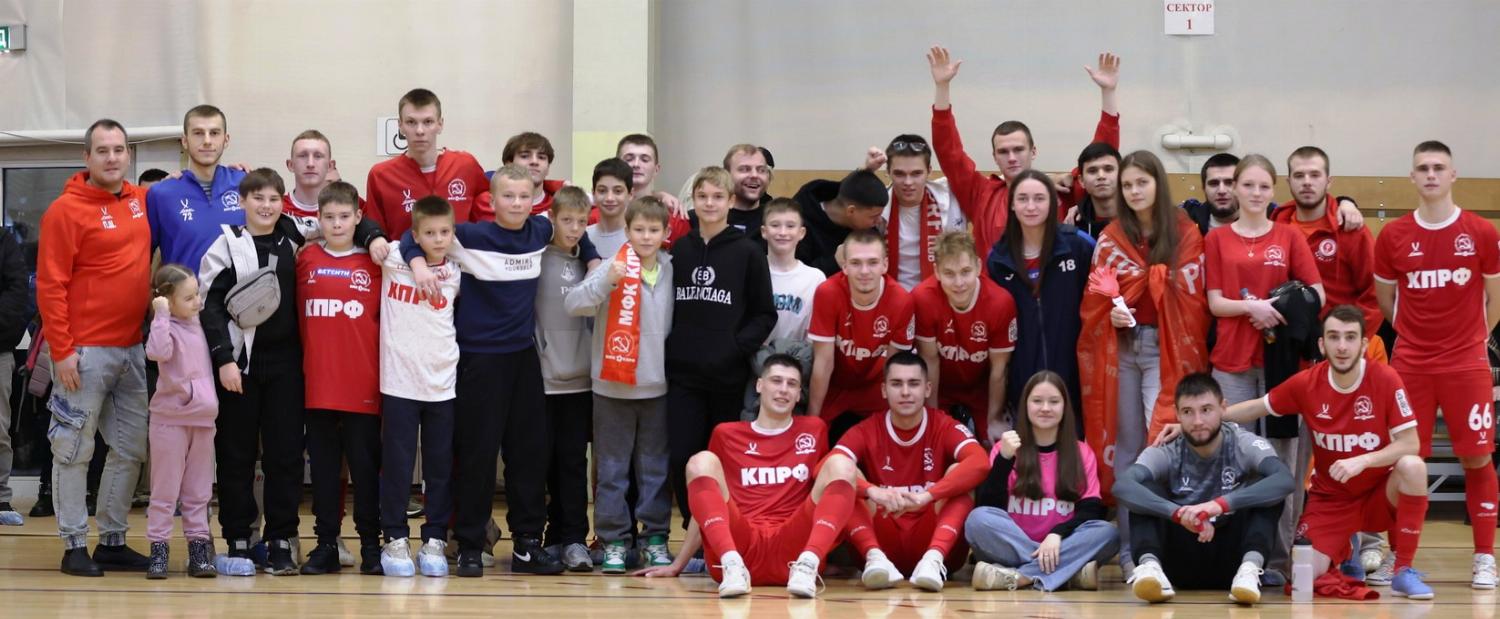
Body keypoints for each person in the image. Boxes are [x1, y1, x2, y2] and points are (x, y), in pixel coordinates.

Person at [401, 165, 600, 577]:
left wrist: (594, 257)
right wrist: (418, 263)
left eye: (525, 196)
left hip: (524, 358)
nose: (517, 203)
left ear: (534, 201)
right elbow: (411, 234)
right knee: (477, 456)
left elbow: (577, 228)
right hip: (478, 360)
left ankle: (527, 544)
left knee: (528, 455)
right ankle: (470, 545)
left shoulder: (540, 231)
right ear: (491, 201)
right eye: (508, 196)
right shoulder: (469, 236)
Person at [200, 169, 386, 575]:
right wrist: (224, 359)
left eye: (273, 199)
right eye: (257, 198)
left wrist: (373, 236)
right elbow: (208, 306)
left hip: (288, 368)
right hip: (240, 367)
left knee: (285, 457)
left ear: (282, 203)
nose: (266, 206)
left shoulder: (296, 235)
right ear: (242, 202)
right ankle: (238, 538)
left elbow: (348, 217)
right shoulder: (225, 244)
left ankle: (280, 539)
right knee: (236, 455)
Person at [1218, 306, 1434, 599]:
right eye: (1334, 337)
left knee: (1413, 466)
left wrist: (1364, 460)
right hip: (1332, 500)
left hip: (1378, 494)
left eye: (1350, 337)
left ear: (1363, 344)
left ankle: (1403, 570)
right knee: (1301, 578)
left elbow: (1410, 443)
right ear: (1322, 344)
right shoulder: (1307, 382)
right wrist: (1201, 422)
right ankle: (1344, 551)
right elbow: (1259, 406)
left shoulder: (1385, 378)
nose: (1342, 346)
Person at [1373, 140, 1499, 589]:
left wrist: (1473, 339)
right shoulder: (1393, 235)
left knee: (1477, 456)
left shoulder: (1480, 231)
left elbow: (1495, 298)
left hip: (1466, 364)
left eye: (1438, 167)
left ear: (1453, 174)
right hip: (1411, 365)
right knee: (1406, 459)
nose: (1430, 174)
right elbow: (1386, 301)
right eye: (1423, 168)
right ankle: (1398, 558)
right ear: (1412, 176)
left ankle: (1484, 557)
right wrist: (1416, 336)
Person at [1077, 150, 1210, 571]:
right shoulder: (1112, 236)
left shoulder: (1185, 232)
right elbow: (1094, 300)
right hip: (1122, 348)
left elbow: (1194, 301)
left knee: (1161, 444)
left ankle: (1164, 544)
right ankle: (1132, 550)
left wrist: (1155, 286)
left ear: (1158, 184)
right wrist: (1112, 314)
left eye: (1142, 183)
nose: (1134, 191)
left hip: (1164, 350)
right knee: (1127, 449)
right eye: (1128, 185)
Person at [637, 355, 858, 599]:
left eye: (792, 384)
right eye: (776, 381)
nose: (783, 389)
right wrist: (678, 564)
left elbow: (830, 495)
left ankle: (810, 561)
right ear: (759, 385)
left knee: (842, 465)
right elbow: (707, 505)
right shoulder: (726, 434)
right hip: (740, 548)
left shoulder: (814, 429)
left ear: (799, 394)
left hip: (794, 552)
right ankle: (731, 563)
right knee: (700, 462)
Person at [37, 119, 153, 576]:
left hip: (132, 350)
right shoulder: (64, 211)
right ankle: (72, 546)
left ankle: (112, 541)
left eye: (119, 149)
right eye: (102, 150)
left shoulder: (140, 200)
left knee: (130, 449)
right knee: (73, 450)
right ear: (86, 157)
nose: (112, 157)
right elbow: (51, 285)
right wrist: (62, 350)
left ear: (129, 155)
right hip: (83, 353)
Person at [1205, 154, 1325, 582]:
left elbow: (1317, 293)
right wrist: (1252, 307)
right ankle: (1235, 555)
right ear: (1235, 188)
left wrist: (1280, 307)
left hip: (1283, 365)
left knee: (1282, 463)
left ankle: (1276, 560)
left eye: (1263, 186)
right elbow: (1215, 302)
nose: (1256, 193)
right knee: (1232, 460)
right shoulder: (1216, 238)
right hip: (1232, 363)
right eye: (1248, 185)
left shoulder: (1289, 236)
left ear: (1274, 191)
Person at [1112, 373, 1294, 605]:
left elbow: (1284, 479)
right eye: (1188, 412)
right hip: (1181, 561)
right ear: (1177, 415)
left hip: (1233, 558)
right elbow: (1123, 486)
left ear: (1223, 408)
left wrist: (1218, 505)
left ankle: (1250, 569)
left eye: (1206, 410)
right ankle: (1151, 569)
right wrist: (1178, 514)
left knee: (1266, 485)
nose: (1198, 421)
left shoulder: (1242, 442)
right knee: (1143, 488)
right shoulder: (1166, 449)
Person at [927, 45, 1121, 263]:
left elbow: (1100, 157)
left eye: (1018, 149)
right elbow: (949, 153)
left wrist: (1108, 93)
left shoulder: (1060, 191)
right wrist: (942, 87)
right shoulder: (981, 195)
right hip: (995, 285)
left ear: (1033, 151)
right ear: (994, 157)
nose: (1011, 157)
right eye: (1003, 152)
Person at [566, 196, 675, 573]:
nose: (646, 236)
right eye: (639, 229)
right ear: (627, 231)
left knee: (654, 469)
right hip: (611, 388)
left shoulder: (671, 268)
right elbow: (573, 304)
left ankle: (655, 538)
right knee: (612, 470)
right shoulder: (612, 265)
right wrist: (605, 282)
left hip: (657, 387)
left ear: (666, 233)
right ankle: (613, 540)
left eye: (653, 230)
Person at [663, 167, 776, 528]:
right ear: (693, 202)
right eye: (702, 197)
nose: (709, 204)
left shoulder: (749, 252)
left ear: (730, 201)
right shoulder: (680, 250)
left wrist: (735, 348)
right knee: (682, 455)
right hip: (682, 375)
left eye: (717, 197)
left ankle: (723, 531)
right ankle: (693, 529)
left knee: (722, 459)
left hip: (727, 377)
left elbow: (765, 313)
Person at [830, 352, 989, 592]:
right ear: (884, 390)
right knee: (846, 473)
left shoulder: (943, 425)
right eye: (896, 384)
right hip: (883, 536)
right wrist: (872, 491)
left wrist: (928, 495)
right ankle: (874, 556)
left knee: (960, 472)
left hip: (934, 538)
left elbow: (980, 462)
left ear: (927, 389)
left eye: (913, 384)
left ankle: (933, 560)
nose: (905, 392)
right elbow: (825, 468)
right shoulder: (867, 428)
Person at [295, 182, 384, 575]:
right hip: (317, 386)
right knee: (325, 474)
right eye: (328, 217)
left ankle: (371, 546)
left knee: (365, 471)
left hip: (363, 386)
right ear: (318, 218)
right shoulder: (305, 258)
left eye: (344, 216)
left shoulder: (377, 261)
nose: (336, 224)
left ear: (358, 217)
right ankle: (327, 544)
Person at [967, 371, 1117, 592]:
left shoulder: (1081, 452)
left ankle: (1021, 576)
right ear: (1025, 405)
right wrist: (1004, 460)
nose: (1045, 408)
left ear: (1064, 407)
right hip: (1013, 544)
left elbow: (1090, 511)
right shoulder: (1005, 447)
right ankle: (1068, 573)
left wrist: (1057, 534)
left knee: (1108, 533)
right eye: (1037, 401)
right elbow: (990, 506)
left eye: (1054, 402)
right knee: (977, 520)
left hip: (1061, 543)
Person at [376, 196, 462, 578]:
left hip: (442, 383)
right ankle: (395, 537)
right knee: (397, 466)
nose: (438, 239)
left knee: (439, 467)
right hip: (399, 382)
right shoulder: (395, 257)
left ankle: (435, 538)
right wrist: (407, 255)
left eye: (445, 232)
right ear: (415, 234)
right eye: (429, 232)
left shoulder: (457, 268)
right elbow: (368, 232)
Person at [985, 169, 1094, 419]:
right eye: (1023, 199)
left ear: (1053, 202)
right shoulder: (998, 259)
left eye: (1039, 198)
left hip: (1075, 376)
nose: (1031, 206)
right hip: (1022, 379)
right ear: (1012, 204)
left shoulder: (1078, 245)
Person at [530, 187, 599, 572]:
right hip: (541, 380)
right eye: (566, 220)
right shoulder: (535, 257)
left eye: (581, 222)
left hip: (580, 381)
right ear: (551, 219)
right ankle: (546, 538)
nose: (574, 228)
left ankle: (572, 538)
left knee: (572, 464)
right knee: (539, 463)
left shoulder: (591, 264)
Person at [142, 264, 218, 579]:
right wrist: (160, 314)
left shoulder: (201, 323)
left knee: (198, 492)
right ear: (167, 301)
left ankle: (199, 551)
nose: (197, 302)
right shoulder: (165, 326)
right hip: (170, 421)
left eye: (197, 294)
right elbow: (157, 352)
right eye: (188, 298)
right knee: (164, 491)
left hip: (203, 420)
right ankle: (158, 551)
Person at [807, 229, 915, 443]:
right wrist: (812, 420)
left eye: (873, 263)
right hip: (834, 384)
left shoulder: (901, 300)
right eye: (856, 263)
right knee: (813, 437)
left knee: (892, 440)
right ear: (844, 266)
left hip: (875, 384)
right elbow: (824, 363)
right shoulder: (827, 292)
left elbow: (894, 366)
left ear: (885, 265)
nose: (865, 271)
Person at [912, 231, 1016, 443]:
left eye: (965, 272)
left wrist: (994, 419)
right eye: (949, 273)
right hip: (941, 388)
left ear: (978, 266)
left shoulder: (1000, 302)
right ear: (936, 271)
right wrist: (932, 417)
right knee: (934, 439)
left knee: (994, 442)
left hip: (982, 389)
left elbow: (999, 370)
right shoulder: (923, 298)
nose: (959, 282)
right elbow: (930, 361)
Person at [364, 88, 490, 240]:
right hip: (405, 255)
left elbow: (490, 215)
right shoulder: (381, 176)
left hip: (459, 255)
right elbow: (376, 233)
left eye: (428, 122)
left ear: (440, 124)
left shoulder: (466, 165)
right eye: (411, 122)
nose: (420, 131)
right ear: (400, 126)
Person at [147, 105, 247, 273]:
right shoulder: (161, 194)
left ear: (226, 140)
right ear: (185, 141)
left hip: (240, 290)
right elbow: (142, 257)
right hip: (185, 290)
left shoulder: (246, 184)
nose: (207, 141)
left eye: (214, 133)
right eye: (198, 133)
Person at [860, 135, 966, 290]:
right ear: (888, 172)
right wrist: (866, 171)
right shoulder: (876, 206)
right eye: (899, 174)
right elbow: (842, 203)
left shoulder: (952, 195)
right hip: (890, 295)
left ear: (929, 171)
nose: (908, 182)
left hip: (942, 294)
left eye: (916, 173)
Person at [792, 169, 888, 277]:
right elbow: (797, 278)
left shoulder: (868, 229)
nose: (879, 220)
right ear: (851, 211)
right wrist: (834, 262)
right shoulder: (797, 226)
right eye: (874, 216)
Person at [762, 198, 825, 344]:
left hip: (797, 356)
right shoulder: (750, 271)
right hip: (754, 355)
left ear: (801, 233)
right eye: (775, 225)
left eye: (790, 226)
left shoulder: (815, 278)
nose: (783, 232)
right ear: (764, 232)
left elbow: (815, 335)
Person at [0, 217, 27, 526]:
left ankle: (1, 496)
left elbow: (18, 290)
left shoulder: (4, 240)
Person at [283, 130, 362, 218]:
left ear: (330, 166)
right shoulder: (276, 208)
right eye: (302, 155)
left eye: (318, 156)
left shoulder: (353, 205)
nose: (310, 164)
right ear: (290, 165)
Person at [500, 131, 566, 215]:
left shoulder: (563, 209)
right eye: (525, 156)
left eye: (541, 157)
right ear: (508, 165)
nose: (534, 161)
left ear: (548, 168)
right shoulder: (490, 203)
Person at [587, 158, 637, 258]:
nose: (609, 198)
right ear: (593, 193)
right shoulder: (581, 236)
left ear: (630, 194)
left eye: (618, 191)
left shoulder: (640, 238)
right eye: (602, 191)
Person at [1071, 143, 1122, 240]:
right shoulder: (1073, 225)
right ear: (1081, 181)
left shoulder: (1140, 218)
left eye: (1108, 169)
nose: (1101, 176)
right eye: (1092, 171)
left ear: (1121, 175)